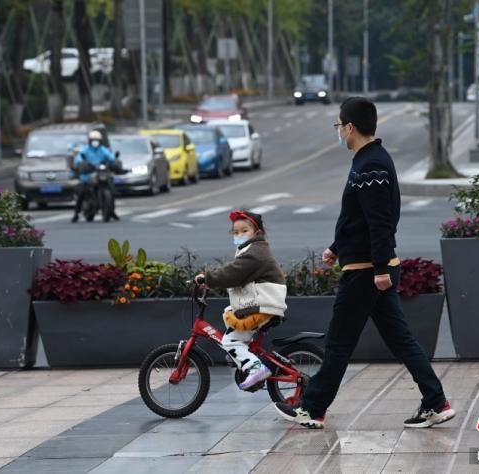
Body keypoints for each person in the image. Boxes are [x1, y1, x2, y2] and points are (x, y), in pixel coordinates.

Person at [274, 97, 454, 430]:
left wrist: (382, 268)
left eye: (339, 125)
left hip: (367, 273)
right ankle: (435, 402)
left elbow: (381, 221)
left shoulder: (371, 165)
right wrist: (337, 246)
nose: (339, 131)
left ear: (350, 127)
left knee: (339, 342)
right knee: (401, 340)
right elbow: (357, 218)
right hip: (367, 266)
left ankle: (312, 407)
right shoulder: (369, 160)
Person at [194, 210, 287, 390]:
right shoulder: (252, 249)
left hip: (263, 305)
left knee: (230, 341)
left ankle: (255, 368)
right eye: (235, 232)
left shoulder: (255, 252)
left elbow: (233, 272)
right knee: (231, 314)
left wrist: (208, 278)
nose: (239, 235)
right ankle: (241, 356)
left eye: (244, 231)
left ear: (257, 232)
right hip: (262, 302)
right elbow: (237, 273)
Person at [71, 130, 119, 223]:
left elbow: (110, 157)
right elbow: (78, 158)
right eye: (93, 140)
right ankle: (76, 213)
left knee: (112, 188)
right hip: (88, 174)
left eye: (97, 140)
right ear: (89, 140)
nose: (95, 142)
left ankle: (111, 210)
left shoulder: (103, 149)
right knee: (82, 191)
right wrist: (81, 163)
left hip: (101, 173)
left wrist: (114, 161)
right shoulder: (85, 150)